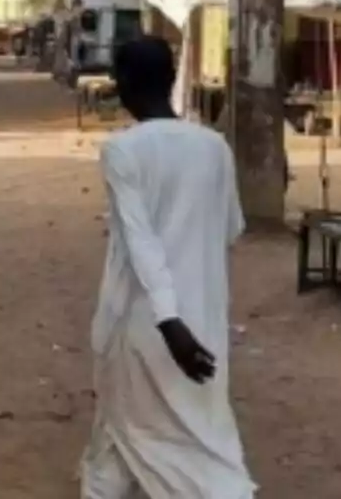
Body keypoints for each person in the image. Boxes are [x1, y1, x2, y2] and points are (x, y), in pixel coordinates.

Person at [80, 37, 255, 499]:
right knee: (186, 431)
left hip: (146, 320)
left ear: (125, 84)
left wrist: (168, 322)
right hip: (201, 316)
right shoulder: (214, 147)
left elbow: (141, 243)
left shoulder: (122, 151)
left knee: (135, 427)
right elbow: (231, 227)